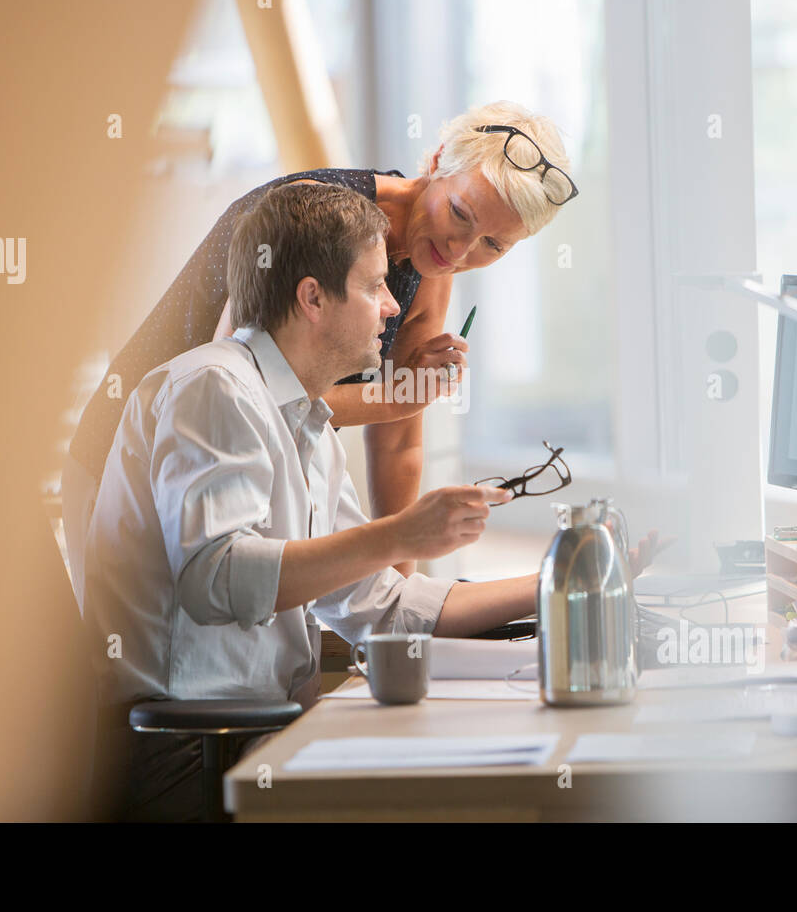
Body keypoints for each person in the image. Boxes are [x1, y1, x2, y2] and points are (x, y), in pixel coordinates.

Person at [83, 182, 538, 820]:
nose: (390, 309)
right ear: (313, 297)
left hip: (255, 737)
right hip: (183, 755)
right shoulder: (213, 388)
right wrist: (400, 535)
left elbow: (378, 606)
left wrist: (556, 584)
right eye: (376, 285)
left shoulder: (306, 420)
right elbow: (217, 582)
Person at [63, 100, 576, 611]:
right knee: (131, 661)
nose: (461, 250)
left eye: (493, 244)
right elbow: (246, 389)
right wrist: (394, 400)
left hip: (223, 481)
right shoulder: (311, 217)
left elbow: (398, 446)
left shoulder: (432, 270)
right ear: (439, 159)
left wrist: (399, 598)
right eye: (459, 213)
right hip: (124, 462)